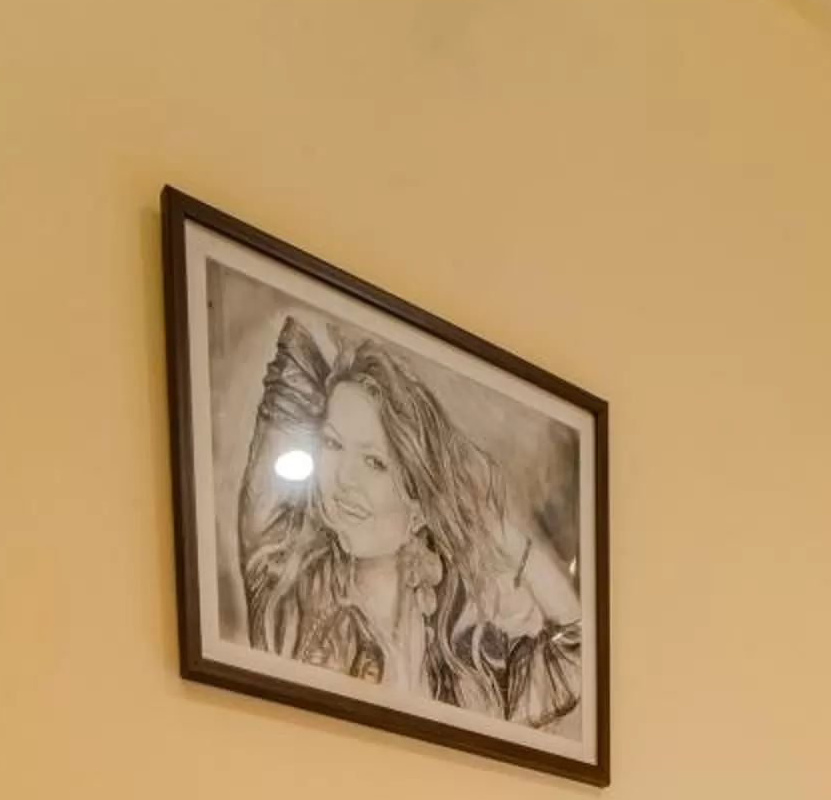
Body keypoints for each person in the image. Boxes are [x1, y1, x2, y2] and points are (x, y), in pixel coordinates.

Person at [238, 312, 582, 730]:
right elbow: (295, 359)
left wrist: (494, 530)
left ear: (419, 509)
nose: (343, 478)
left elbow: (576, 650)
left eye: (374, 461)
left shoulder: (470, 668)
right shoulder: (285, 589)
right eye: (332, 444)